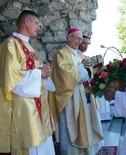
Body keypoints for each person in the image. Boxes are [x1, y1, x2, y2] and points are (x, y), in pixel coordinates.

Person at [0, 10, 55, 155]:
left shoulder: (28, 46)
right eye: (37, 23)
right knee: (30, 145)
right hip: (24, 106)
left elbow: (33, 69)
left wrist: (44, 72)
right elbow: (11, 77)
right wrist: (39, 73)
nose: (39, 27)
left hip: (38, 103)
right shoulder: (10, 45)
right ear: (26, 22)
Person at [48, 27, 103, 155]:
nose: (79, 41)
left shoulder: (79, 55)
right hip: (71, 98)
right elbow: (65, 75)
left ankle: (88, 151)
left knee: (87, 125)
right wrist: (82, 67)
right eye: (77, 38)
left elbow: (86, 73)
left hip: (85, 96)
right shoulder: (61, 54)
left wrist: (89, 69)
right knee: (72, 127)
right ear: (69, 37)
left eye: (80, 39)